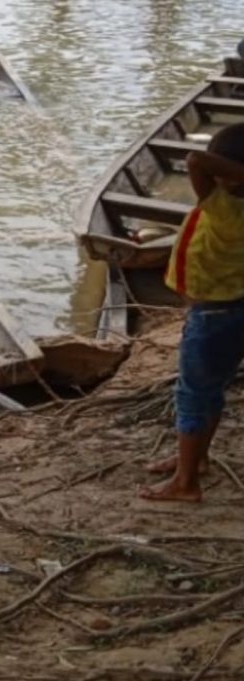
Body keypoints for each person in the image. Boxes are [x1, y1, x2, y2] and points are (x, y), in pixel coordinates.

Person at [142, 123, 244, 502]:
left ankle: (186, 483)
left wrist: (222, 171)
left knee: (192, 396)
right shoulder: (228, 200)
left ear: (227, 175)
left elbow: (195, 158)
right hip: (234, 312)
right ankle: (197, 459)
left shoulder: (223, 206)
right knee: (211, 392)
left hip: (212, 319)